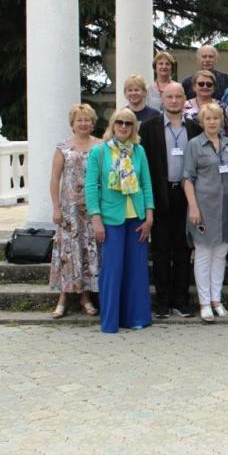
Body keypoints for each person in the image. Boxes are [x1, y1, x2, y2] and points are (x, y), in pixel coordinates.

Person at [85, 108, 154, 333]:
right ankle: (111, 321)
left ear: (133, 127)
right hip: (110, 218)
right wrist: (96, 218)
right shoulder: (99, 152)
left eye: (128, 123)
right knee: (112, 270)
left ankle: (136, 318)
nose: (123, 127)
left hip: (136, 217)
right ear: (112, 125)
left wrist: (149, 215)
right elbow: (91, 187)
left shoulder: (139, 151)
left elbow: (146, 184)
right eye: (119, 122)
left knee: (136, 270)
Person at [139, 82, 202, 319]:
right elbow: (144, 166)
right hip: (160, 194)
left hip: (187, 195)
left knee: (184, 249)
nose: (174, 101)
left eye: (178, 96)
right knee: (161, 251)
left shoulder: (195, 128)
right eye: (169, 97)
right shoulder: (149, 127)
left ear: (185, 99)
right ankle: (163, 301)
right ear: (162, 99)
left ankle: (181, 301)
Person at [183, 103, 228, 323]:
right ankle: (204, 303)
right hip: (203, 209)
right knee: (204, 255)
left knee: (221, 255)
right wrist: (193, 207)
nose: (212, 122)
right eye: (208, 118)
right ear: (201, 122)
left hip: (226, 209)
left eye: (216, 118)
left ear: (222, 121)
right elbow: (188, 178)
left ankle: (217, 300)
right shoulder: (194, 145)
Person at [49, 104, 101, 319]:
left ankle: (86, 297)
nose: (83, 123)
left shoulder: (100, 146)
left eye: (87, 119)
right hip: (69, 209)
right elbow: (55, 179)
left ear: (93, 123)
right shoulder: (63, 147)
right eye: (79, 120)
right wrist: (56, 208)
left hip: (93, 209)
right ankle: (62, 299)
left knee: (89, 251)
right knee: (68, 252)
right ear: (73, 123)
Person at [183, 70, 228, 144]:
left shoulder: (222, 106)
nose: (205, 87)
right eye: (201, 84)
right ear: (194, 87)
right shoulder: (184, 106)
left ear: (214, 88)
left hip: (219, 148)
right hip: (192, 147)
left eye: (209, 84)